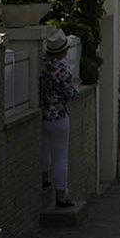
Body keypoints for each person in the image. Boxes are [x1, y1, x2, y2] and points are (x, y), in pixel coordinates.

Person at [40, 30, 80, 208]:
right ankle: (61, 196)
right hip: (59, 116)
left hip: (43, 114)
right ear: (63, 51)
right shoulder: (62, 70)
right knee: (61, 156)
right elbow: (71, 94)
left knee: (46, 148)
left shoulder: (43, 65)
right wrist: (77, 86)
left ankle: (45, 178)